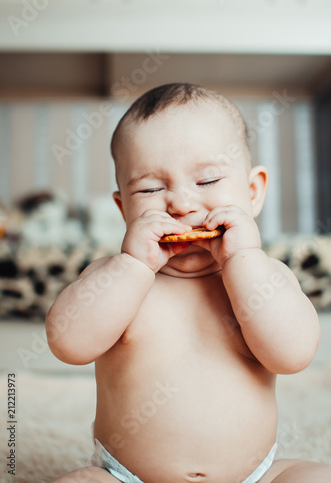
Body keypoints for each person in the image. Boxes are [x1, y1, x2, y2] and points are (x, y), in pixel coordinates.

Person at [46, 83, 331, 483]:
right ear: (123, 208)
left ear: (252, 192)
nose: (180, 203)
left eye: (208, 181)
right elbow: (67, 343)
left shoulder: (267, 278)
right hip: (128, 477)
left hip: (254, 476)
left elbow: (294, 354)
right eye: (150, 189)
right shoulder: (115, 277)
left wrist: (242, 260)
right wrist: (133, 265)